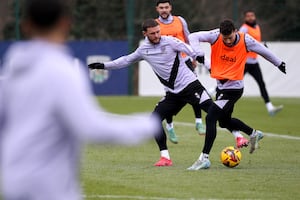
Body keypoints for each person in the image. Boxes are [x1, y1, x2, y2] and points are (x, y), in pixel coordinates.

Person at [0, 0, 160, 199]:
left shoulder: (10, 71)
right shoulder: (62, 69)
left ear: (26, 26)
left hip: (14, 182)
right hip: (49, 187)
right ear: (66, 24)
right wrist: (146, 125)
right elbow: (91, 127)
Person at [88, 19, 213, 167]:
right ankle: (165, 157)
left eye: (158, 31)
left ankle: (240, 134)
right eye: (153, 33)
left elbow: (191, 50)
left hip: (190, 86)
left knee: (215, 113)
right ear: (145, 33)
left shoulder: (170, 41)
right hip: (173, 94)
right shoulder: (143, 50)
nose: (157, 35)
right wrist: (104, 65)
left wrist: (205, 64)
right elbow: (125, 60)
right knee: (154, 121)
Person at [187, 19, 286, 170]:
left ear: (235, 31)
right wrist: (198, 52)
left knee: (211, 117)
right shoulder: (215, 36)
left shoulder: (246, 40)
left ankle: (204, 158)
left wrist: (279, 63)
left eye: (230, 37)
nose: (227, 41)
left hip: (233, 89)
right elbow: (193, 37)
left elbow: (263, 51)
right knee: (224, 122)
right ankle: (253, 133)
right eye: (224, 38)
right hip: (222, 87)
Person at [155, 0, 205, 144]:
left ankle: (198, 122)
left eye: (166, 7)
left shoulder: (179, 20)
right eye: (161, 7)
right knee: (170, 96)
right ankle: (170, 126)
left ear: (170, 7)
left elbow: (188, 38)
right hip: (168, 65)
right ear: (157, 9)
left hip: (185, 60)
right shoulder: (154, 25)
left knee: (196, 89)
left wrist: (193, 55)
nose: (164, 10)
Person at [240, 10, 283, 116]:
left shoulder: (257, 27)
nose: (250, 17)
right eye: (248, 16)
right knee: (231, 81)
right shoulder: (244, 28)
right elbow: (240, 42)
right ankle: (213, 91)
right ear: (245, 18)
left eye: (252, 15)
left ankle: (269, 107)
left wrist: (261, 46)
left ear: (254, 17)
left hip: (254, 63)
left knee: (261, 84)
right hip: (245, 62)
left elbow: (255, 43)